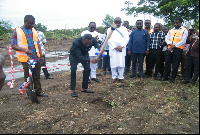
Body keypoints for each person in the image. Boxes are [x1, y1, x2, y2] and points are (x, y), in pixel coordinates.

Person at [11, 15, 48, 97]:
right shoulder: (17, 31)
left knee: (37, 76)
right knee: (27, 77)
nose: (32, 25)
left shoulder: (34, 30)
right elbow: (13, 45)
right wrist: (24, 50)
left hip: (36, 57)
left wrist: (41, 56)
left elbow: (37, 43)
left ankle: (38, 92)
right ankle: (29, 93)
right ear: (25, 22)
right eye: (30, 23)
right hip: (25, 59)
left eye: (33, 23)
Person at [161, 18, 188, 83]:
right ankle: (166, 76)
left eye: (177, 23)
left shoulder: (184, 30)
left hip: (178, 49)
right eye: (174, 23)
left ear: (181, 23)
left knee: (175, 64)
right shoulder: (171, 30)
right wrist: (170, 44)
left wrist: (174, 46)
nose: (175, 24)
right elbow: (166, 38)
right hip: (169, 48)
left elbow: (183, 41)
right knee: (167, 62)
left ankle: (173, 78)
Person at [107, 17, 129, 83]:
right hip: (113, 49)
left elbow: (126, 39)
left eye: (118, 23)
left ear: (121, 22)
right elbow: (108, 39)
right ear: (113, 22)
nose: (117, 24)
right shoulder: (110, 29)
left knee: (121, 63)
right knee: (113, 63)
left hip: (121, 49)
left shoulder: (124, 29)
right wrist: (115, 47)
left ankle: (121, 77)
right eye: (116, 23)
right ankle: (114, 77)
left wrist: (121, 46)